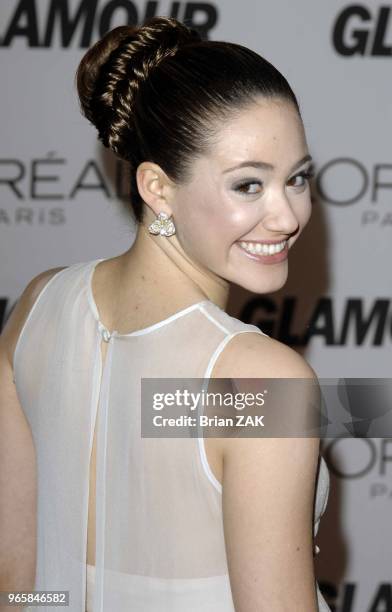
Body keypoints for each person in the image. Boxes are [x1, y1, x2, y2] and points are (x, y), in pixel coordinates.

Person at [0, 16, 330, 612]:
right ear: (157, 187)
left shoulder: (38, 307)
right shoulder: (262, 383)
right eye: (248, 186)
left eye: (297, 178)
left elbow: (21, 588)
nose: (287, 217)